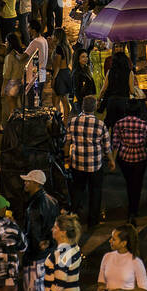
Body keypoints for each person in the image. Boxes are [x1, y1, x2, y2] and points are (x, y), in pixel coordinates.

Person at [65, 94, 114, 229]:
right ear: (95, 107)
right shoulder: (100, 125)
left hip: (77, 163)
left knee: (78, 190)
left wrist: (66, 158)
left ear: (82, 107)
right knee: (95, 191)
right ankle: (93, 221)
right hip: (95, 165)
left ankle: (74, 217)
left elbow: (67, 142)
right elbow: (107, 147)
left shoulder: (73, 121)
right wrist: (111, 161)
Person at [44, 212, 83, 291]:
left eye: (55, 227)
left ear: (63, 232)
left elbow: (59, 281)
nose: (52, 230)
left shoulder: (63, 252)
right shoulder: (74, 247)